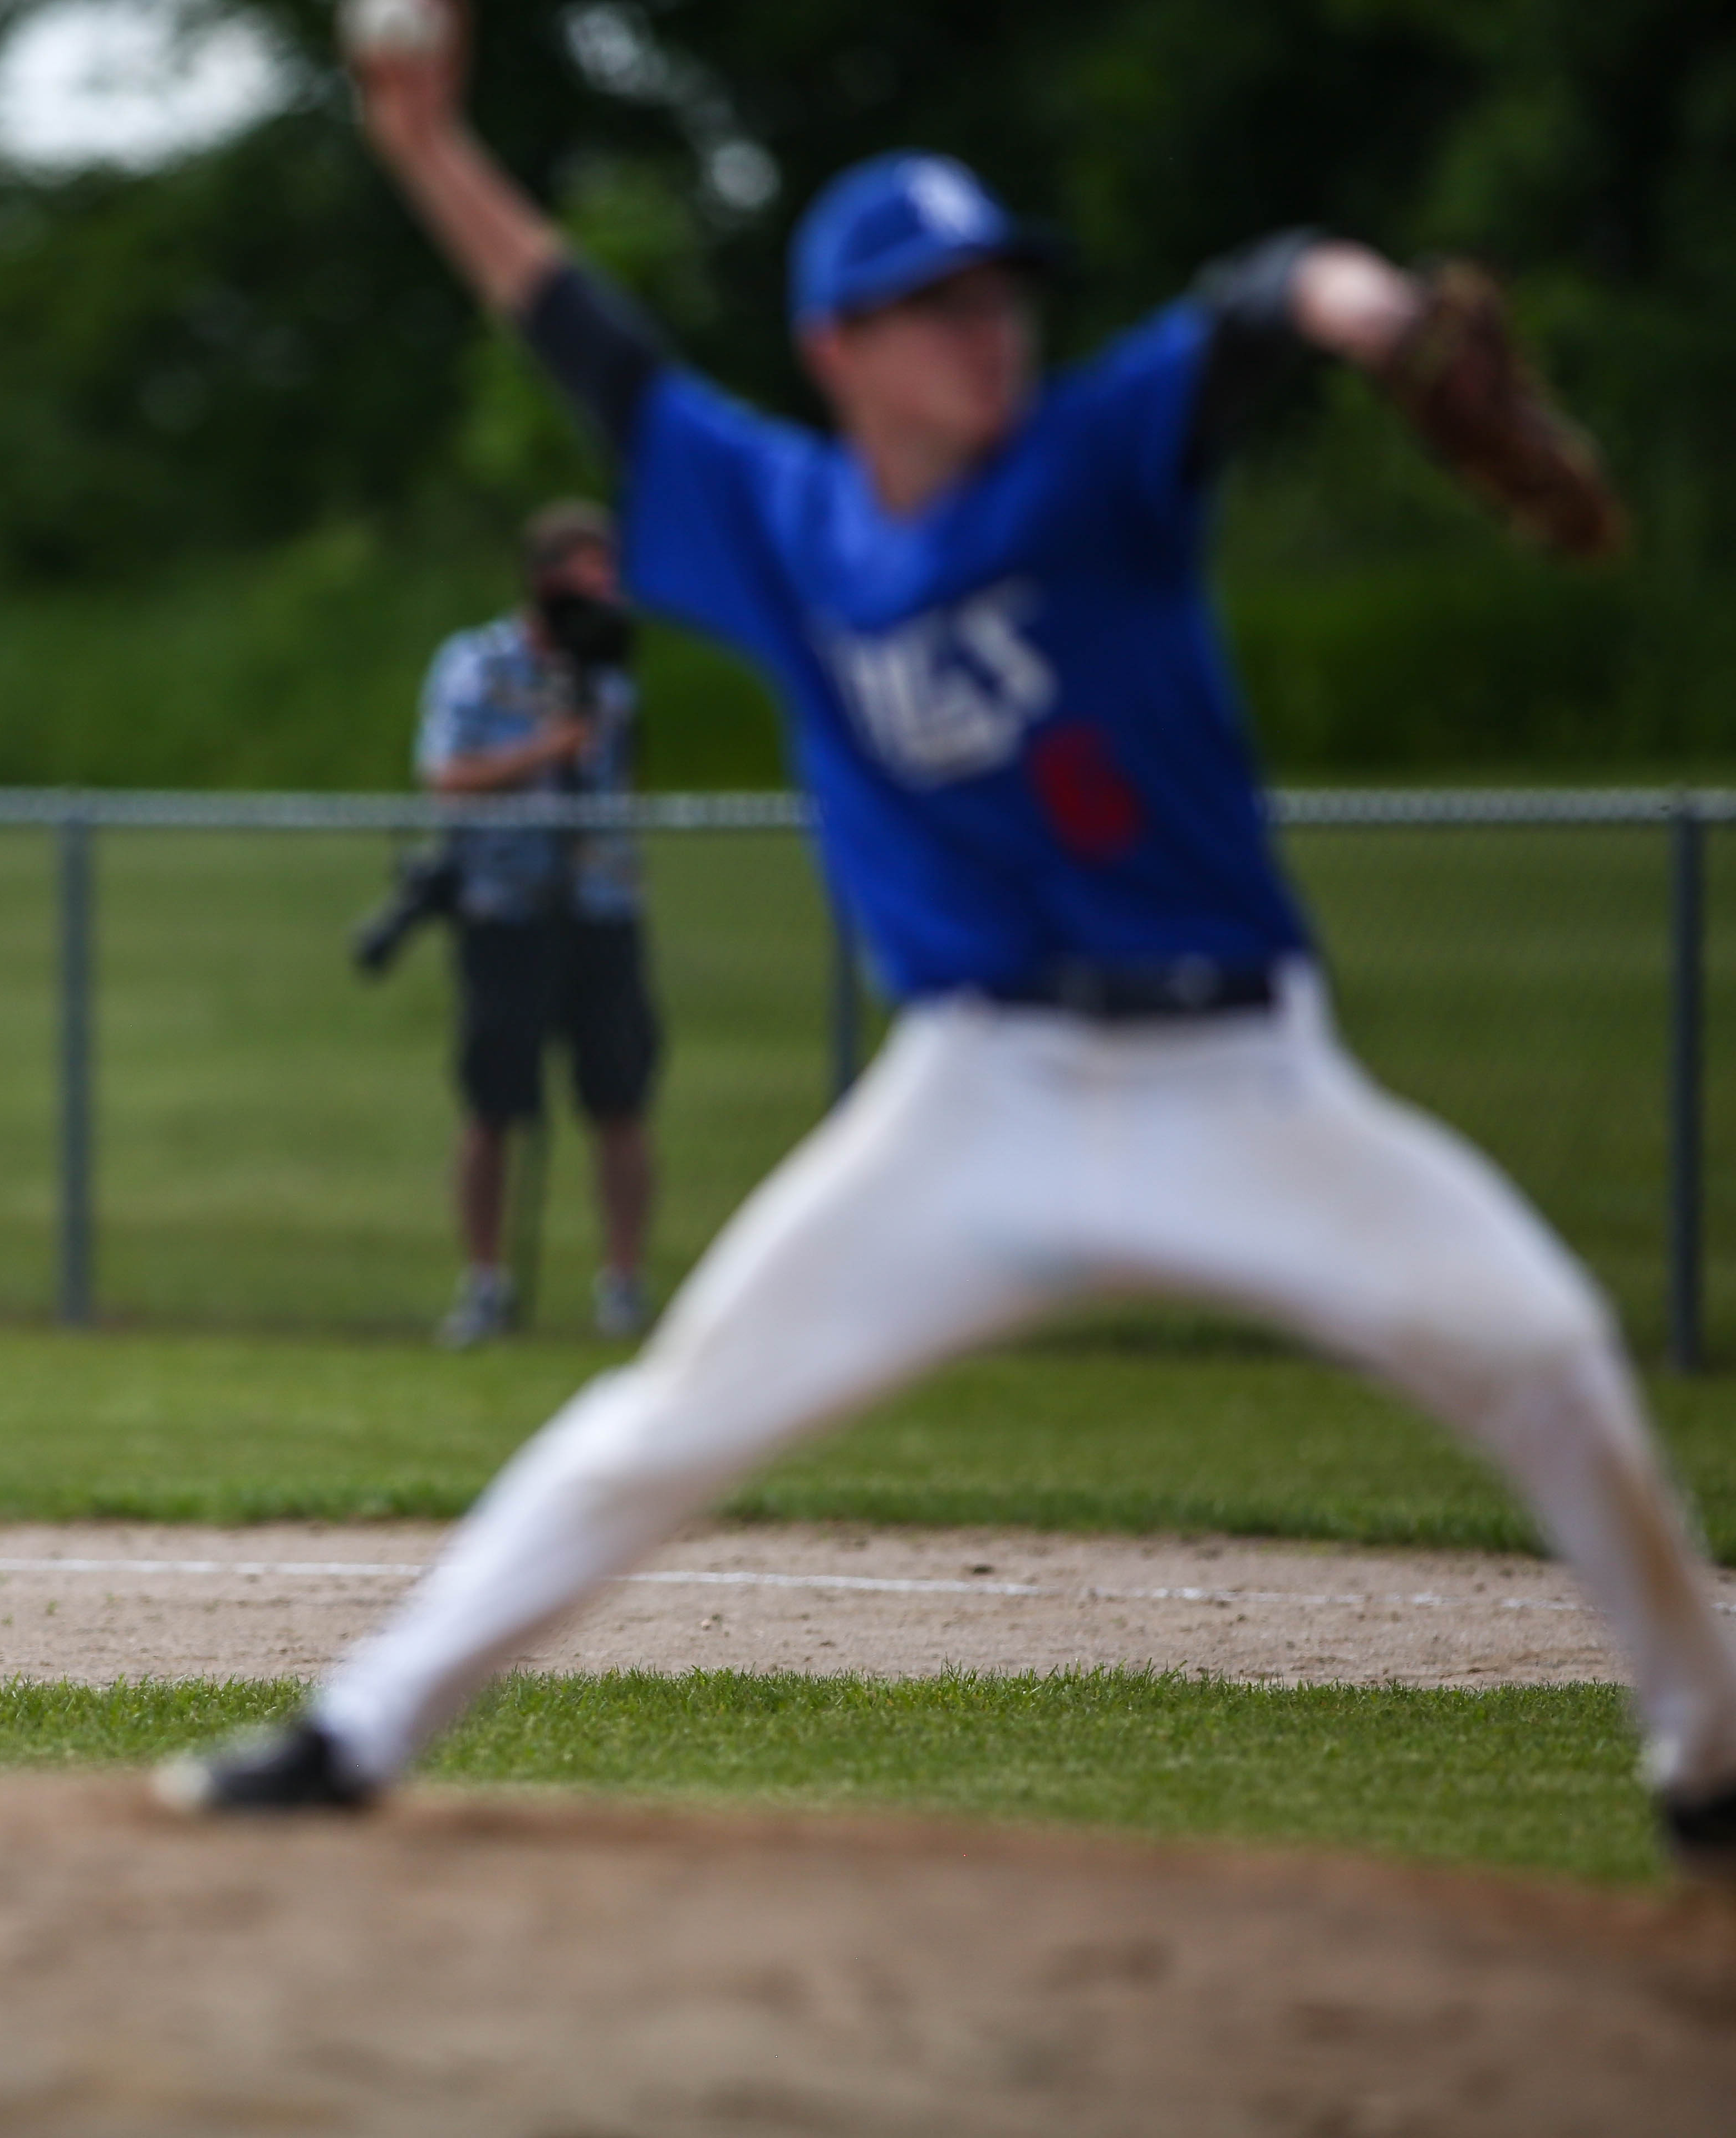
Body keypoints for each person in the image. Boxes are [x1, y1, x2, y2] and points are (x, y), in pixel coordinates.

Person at [160, 0, 1736, 1878]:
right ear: (839, 350)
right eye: (935, 304)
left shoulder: (1091, 466)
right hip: (976, 1099)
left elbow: (1252, 303)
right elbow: (591, 345)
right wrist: (425, 143)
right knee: (668, 1427)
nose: (987, 330)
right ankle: (353, 1733)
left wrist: (1374, 315)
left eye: (1000, 293)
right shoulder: (778, 517)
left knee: (1544, 1350)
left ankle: (1710, 1757)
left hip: (1242, 1076)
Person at [421, 498, 660, 1345]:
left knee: (620, 1097)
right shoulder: (478, 665)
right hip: (506, 910)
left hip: (600, 906)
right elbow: (444, 775)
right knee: (494, 1102)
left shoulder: (612, 674)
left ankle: (623, 1286)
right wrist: (543, 750)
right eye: (581, 584)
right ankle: (487, 1281)